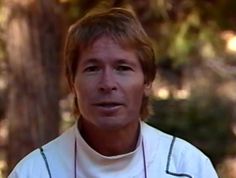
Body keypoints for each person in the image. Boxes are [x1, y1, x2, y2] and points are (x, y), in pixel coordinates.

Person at [9, 8, 218, 178]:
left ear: (147, 80)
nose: (107, 84)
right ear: (72, 82)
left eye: (122, 68)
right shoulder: (35, 172)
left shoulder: (188, 168)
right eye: (92, 69)